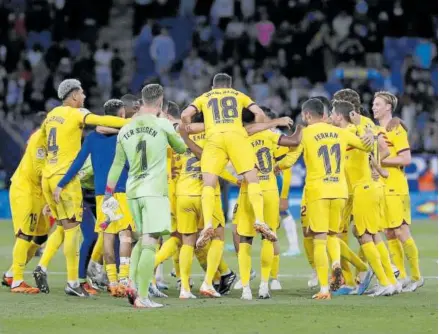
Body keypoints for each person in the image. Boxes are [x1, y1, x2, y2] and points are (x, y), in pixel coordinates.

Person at [33, 79, 128, 297]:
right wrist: (134, 122)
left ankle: (51, 270)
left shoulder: (50, 116)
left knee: (63, 227)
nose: (84, 97)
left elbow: (39, 145)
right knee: (73, 231)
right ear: (74, 96)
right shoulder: (76, 113)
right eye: (82, 93)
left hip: (49, 176)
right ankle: (73, 282)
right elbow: (99, 119)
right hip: (65, 179)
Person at [103, 84, 187, 308]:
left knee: (141, 240)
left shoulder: (125, 129)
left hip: (132, 191)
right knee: (151, 241)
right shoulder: (162, 124)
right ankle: (142, 296)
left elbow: (117, 165)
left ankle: (130, 282)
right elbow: (180, 148)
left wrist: (107, 194)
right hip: (153, 191)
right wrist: (175, 131)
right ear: (160, 102)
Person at [181, 73, 273, 254]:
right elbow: (259, 114)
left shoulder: (204, 97)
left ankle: (208, 223)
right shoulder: (238, 95)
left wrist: (194, 126)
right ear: (230, 86)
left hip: (214, 138)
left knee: (209, 182)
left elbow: (185, 115)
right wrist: (255, 130)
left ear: (213, 87)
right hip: (237, 136)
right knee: (252, 179)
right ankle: (260, 219)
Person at [293, 98, 373, 300]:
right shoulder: (341, 132)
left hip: (318, 191)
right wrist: (365, 130)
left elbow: (290, 159)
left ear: (308, 115)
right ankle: (337, 264)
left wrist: (275, 166)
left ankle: (324, 289)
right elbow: (366, 146)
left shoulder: (306, 133)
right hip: (340, 191)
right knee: (332, 236)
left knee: (319, 240)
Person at [55, 99, 135, 297]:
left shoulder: (91, 138)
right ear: (121, 116)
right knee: (126, 235)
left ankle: (113, 282)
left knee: (107, 236)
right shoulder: (125, 135)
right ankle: (124, 280)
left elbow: (78, 162)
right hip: (121, 189)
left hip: (102, 194)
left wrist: (61, 184)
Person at [330, 100, 397, 297]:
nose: (332, 118)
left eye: (333, 114)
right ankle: (391, 281)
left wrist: (374, 160)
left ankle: (384, 281)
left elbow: (372, 141)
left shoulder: (349, 131)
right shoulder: (361, 127)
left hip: (364, 188)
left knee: (364, 234)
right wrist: (376, 165)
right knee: (372, 234)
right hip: (371, 187)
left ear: (340, 116)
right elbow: (377, 144)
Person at [233, 108, 301, 300]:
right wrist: (302, 127)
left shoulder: (238, 137)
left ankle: (246, 288)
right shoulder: (269, 136)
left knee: (245, 241)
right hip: (270, 191)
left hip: (248, 191)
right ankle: (264, 285)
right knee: (268, 239)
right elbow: (294, 143)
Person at [373, 91, 423, 292]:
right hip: (382, 187)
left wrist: (380, 161)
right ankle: (401, 276)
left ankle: (417, 276)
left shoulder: (397, 129)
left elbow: (406, 159)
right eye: (373, 104)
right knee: (389, 233)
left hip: (396, 186)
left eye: (378, 104)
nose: (374, 107)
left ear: (388, 107)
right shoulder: (376, 129)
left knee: (401, 231)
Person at [3, 113, 50, 293]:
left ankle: (11, 274)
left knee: (41, 236)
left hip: (40, 192)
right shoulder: (39, 138)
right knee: (25, 234)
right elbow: (39, 169)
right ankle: (17, 281)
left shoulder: (54, 141)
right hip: (26, 190)